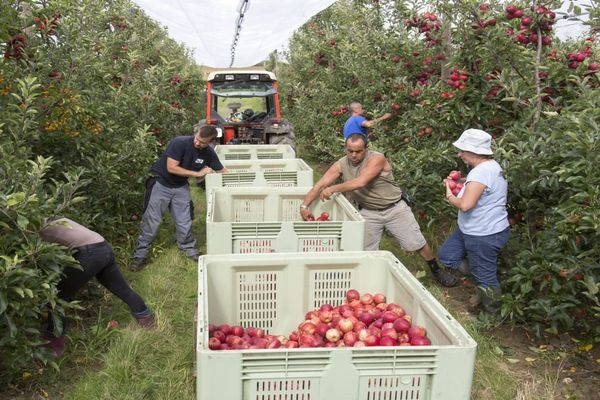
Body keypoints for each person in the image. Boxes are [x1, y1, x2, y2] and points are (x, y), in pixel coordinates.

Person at [300, 133, 457, 286]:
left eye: (358, 151)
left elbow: (361, 182)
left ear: (366, 149)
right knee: (366, 249)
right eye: (350, 151)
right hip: (368, 212)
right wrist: (304, 205)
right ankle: (370, 280)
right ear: (346, 149)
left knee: (415, 243)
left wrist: (334, 188)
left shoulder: (377, 158)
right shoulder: (341, 163)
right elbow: (320, 184)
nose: (353, 155)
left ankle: (436, 270)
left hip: (394, 209)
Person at [40, 218, 155, 356]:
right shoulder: (56, 218)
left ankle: (54, 344)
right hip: (103, 246)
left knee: (57, 296)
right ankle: (147, 320)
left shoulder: (33, 226)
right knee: (123, 290)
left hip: (90, 252)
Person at [130, 124, 227, 271]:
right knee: (152, 221)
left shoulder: (209, 153)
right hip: (161, 183)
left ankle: (188, 249)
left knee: (185, 220)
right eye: (197, 138)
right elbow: (171, 167)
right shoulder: (179, 142)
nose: (197, 143)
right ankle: (140, 256)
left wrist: (242, 181)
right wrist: (198, 174)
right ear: (195, 134)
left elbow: (222, 171)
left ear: (210, 142)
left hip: (180, 186)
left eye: (202, 142)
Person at [438, 129, 510, 313]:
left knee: (484, 275)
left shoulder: (480, 173)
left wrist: (448, 193)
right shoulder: (489, 167)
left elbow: (465, 205)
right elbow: (478, 188)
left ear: (475, 151)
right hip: (472, 229)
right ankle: (486, 278)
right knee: (447, 255)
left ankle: (492, 314)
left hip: (483, 234)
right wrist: (460, 181)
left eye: (463, 150)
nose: (459, 154)